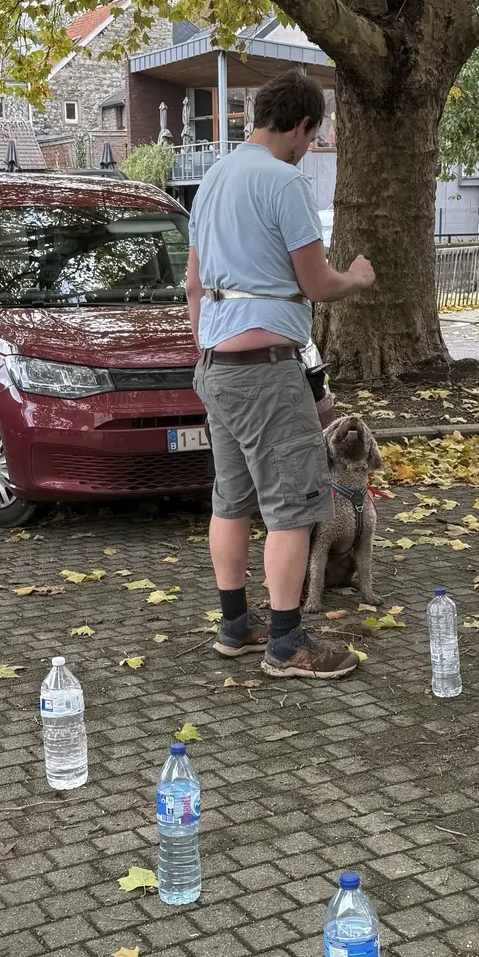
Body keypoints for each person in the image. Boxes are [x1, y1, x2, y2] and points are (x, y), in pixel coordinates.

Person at [186, 67, 374, 679]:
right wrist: (358, 278)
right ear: (299, 126)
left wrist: (207, 347)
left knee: (232, 500)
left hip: (216, 367)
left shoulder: (210, 181)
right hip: (268, 373)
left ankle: (236, 626)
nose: (308, 148)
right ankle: (288, 643)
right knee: (293, 506)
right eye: (311, 138)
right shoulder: (284, 183)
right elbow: (315, 282)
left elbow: (192, 285)